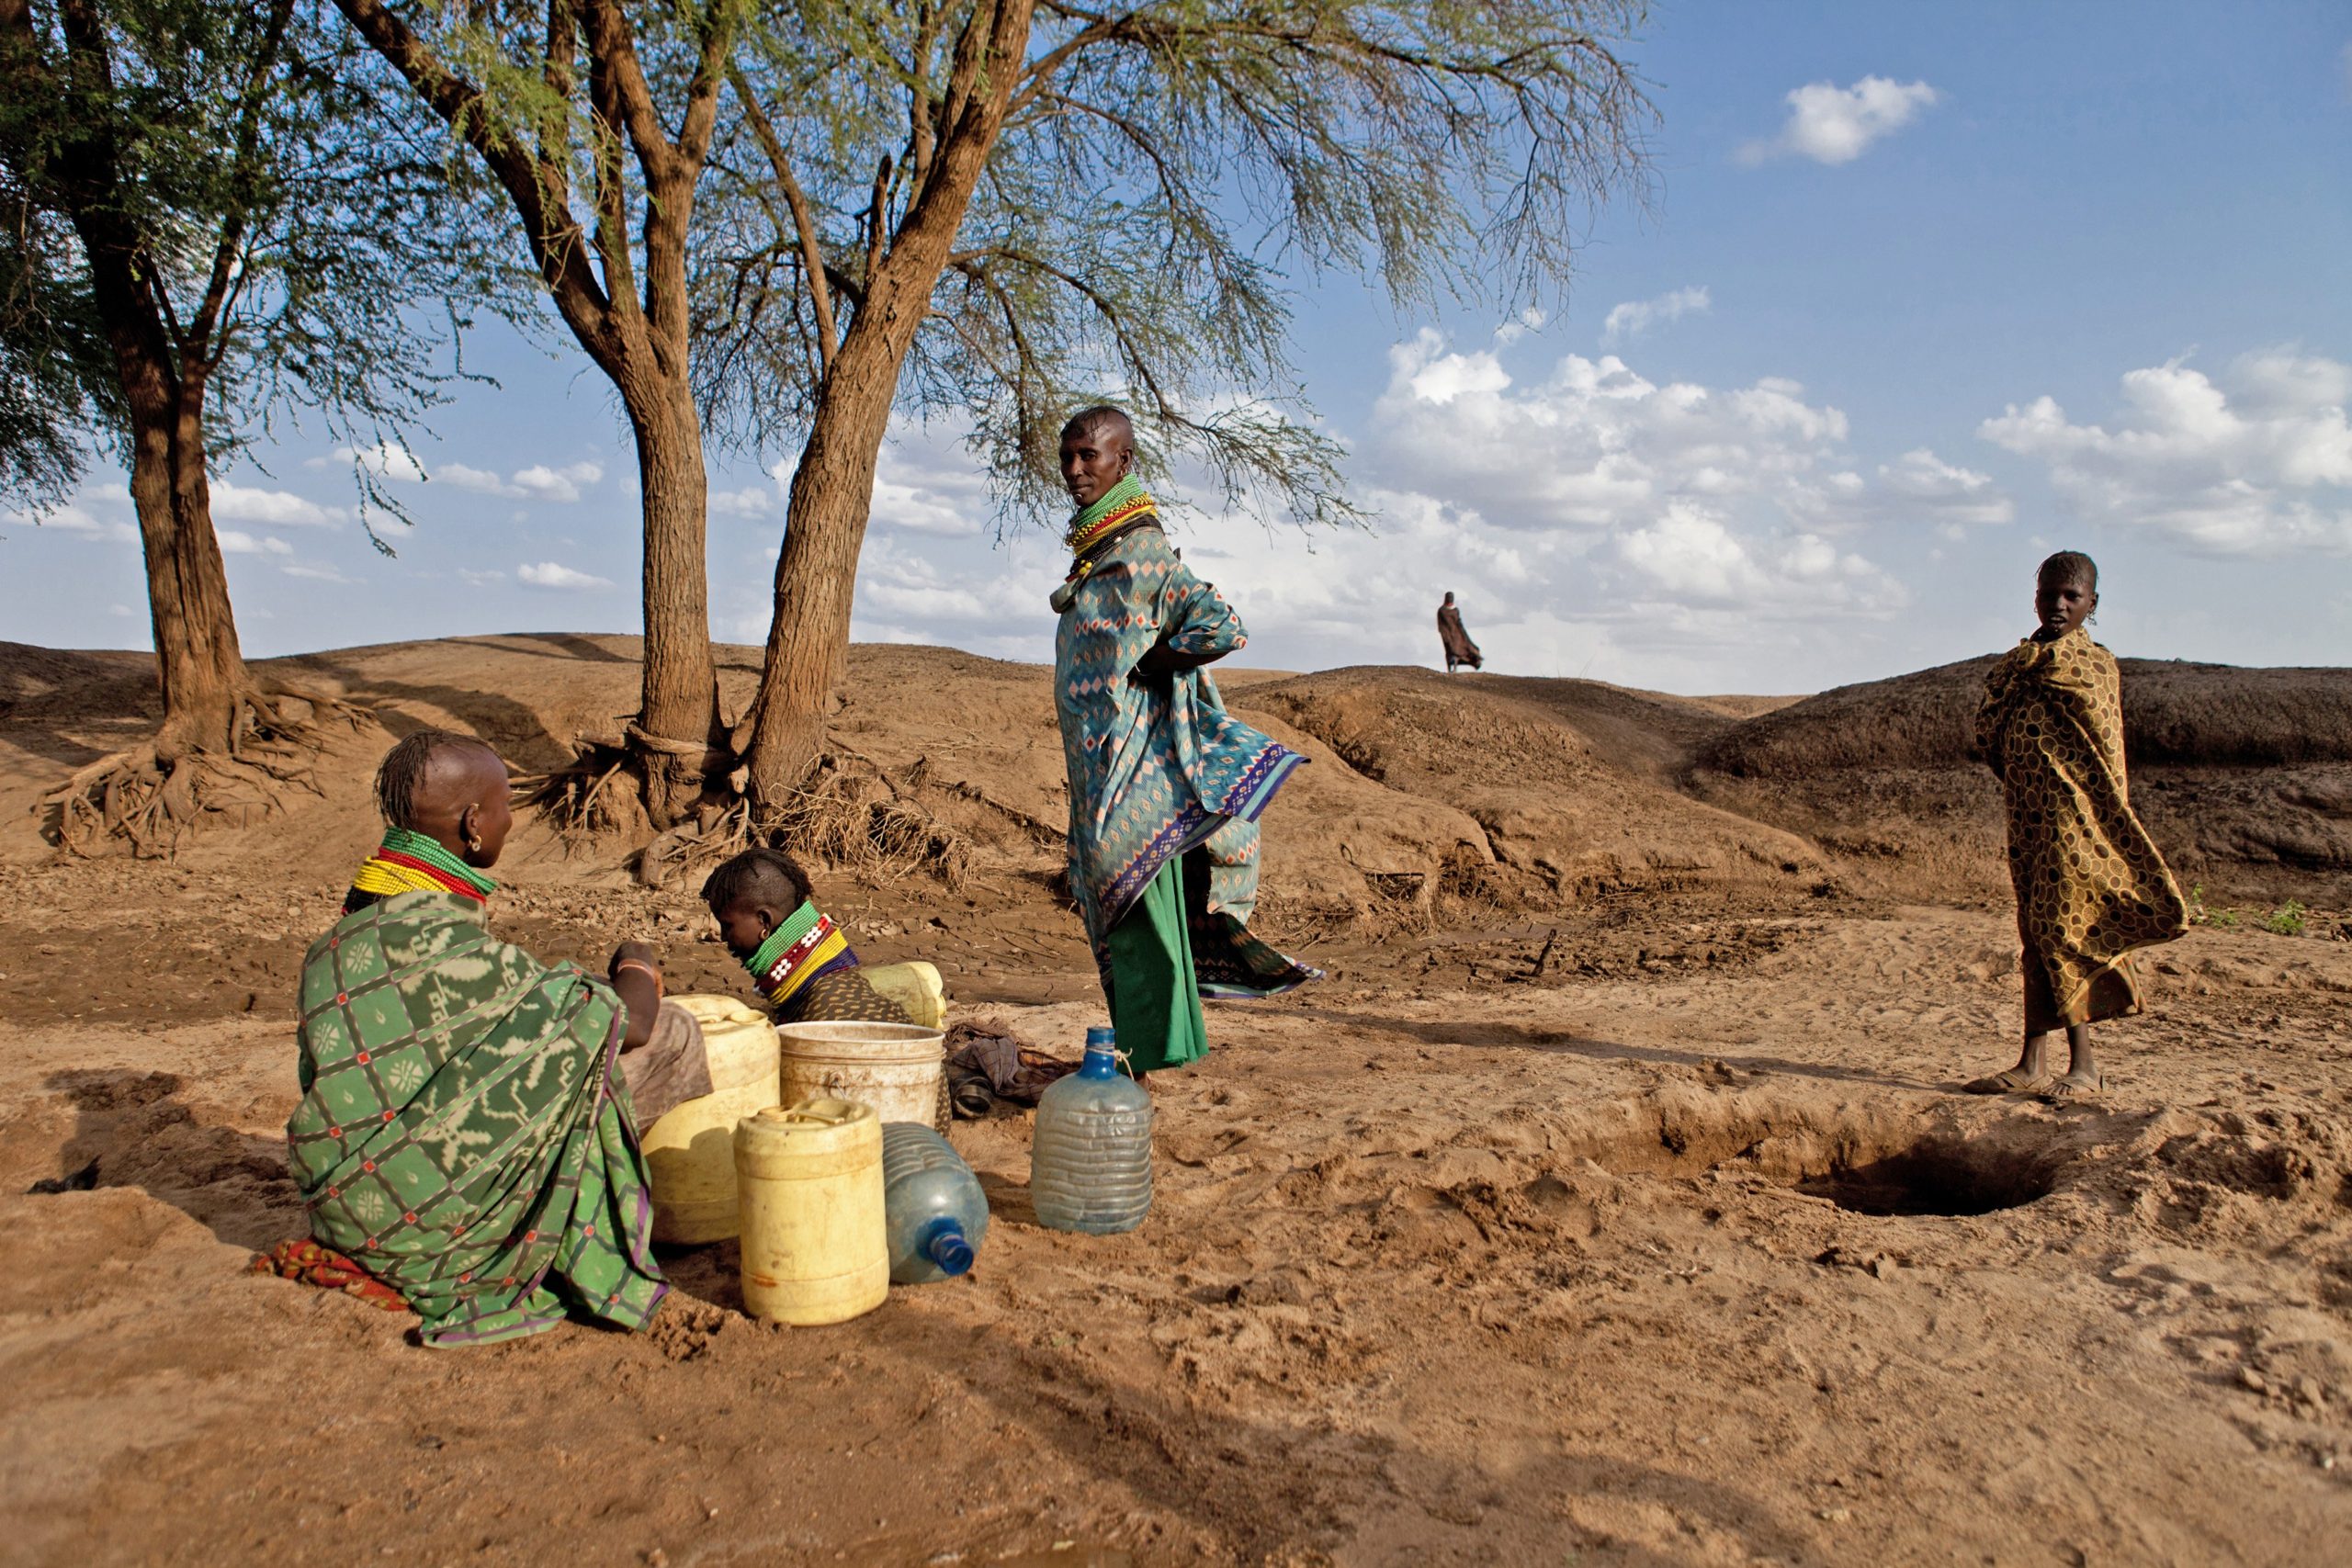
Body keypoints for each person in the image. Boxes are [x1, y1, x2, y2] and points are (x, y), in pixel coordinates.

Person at [259, 730, 670, 1346]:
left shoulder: (334, 948)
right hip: (434, 1237)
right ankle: (653, 1219)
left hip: (344, 1218)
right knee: (649, 1037)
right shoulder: (473, 960)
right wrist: (638, 967)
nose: (511, 819)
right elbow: (628, 1024)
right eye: (506, 805)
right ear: (474, 824)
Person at [1049, 405, 1319, 1079]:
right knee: (1122, 903)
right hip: (1101, 765)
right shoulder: (1101, 556)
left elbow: (1222, 626)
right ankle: (1156, 1046)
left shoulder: (1142, 554)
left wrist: (1156, 663)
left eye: (1092, 455)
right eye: (1069, 457)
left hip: (1134, 768)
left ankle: (1151, 1051)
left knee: (1131, 904)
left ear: (1124, 463)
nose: (1078, 470)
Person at [1965, 551, 2187, 1102]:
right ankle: (2031, 1063)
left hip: (2077, 820)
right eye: (2049, 594)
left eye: (2072, 596)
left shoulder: (2091, 666)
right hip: (2030, 817)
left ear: (2093, 603)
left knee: (2066, 928)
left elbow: (2104, 756)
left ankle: (2085, 1067)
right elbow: (1994, 731)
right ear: (2034, 596)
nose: (2058, 605)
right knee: (2034, 932)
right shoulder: (2022, 663)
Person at [700, 846, 913, 1026]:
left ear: (764, 922)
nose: (724, 937)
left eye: (727, 925)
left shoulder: (815, 1019)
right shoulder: (841, 985)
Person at [1437, 592, 1483, 672]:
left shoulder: (1455, 610)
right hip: (1448, 635)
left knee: (1467, 647)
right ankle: (1452, 667)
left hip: (1458, 633)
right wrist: (1445, 634)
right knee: (1452, 650)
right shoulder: (1441, 611)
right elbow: (1441, 625)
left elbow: (1458, 622)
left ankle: (1473, 661)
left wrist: (1462, 633)